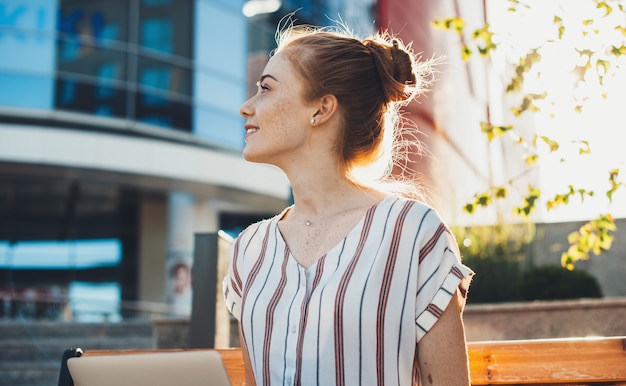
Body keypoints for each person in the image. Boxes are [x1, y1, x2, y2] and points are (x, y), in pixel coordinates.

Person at [222, 21, 474, 386]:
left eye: (266, 89)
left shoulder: (413, 232)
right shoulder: (249, 249)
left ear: (321, 109)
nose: (246, 107)